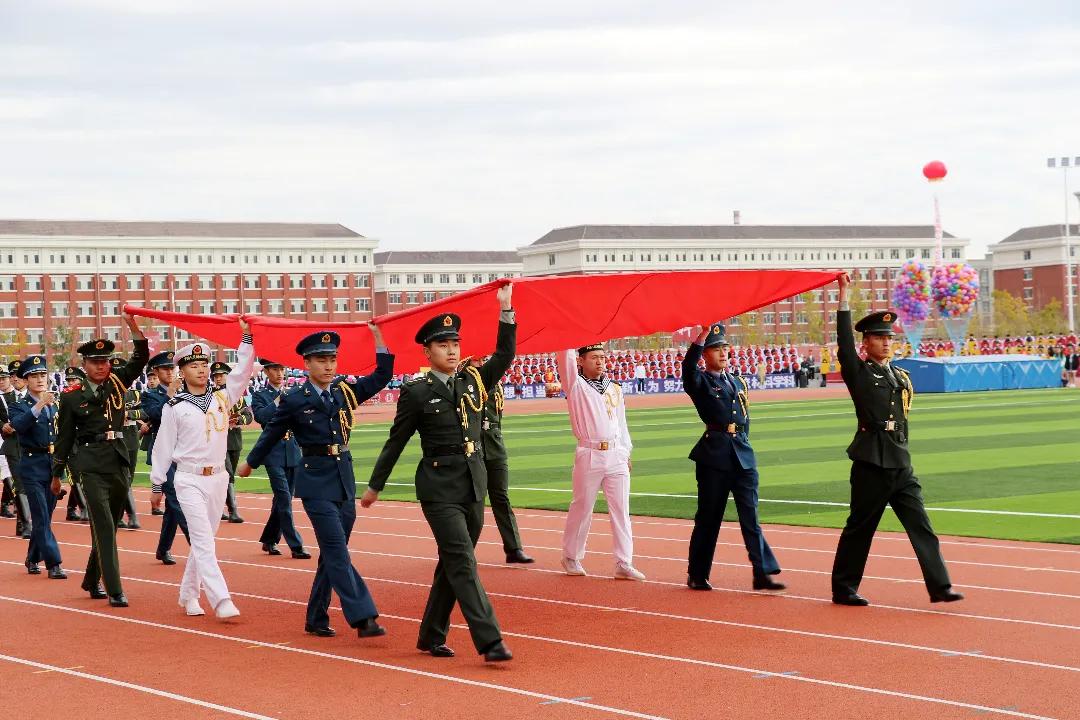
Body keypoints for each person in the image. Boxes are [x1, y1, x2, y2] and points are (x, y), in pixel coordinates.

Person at [366, 286, 516, 662]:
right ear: (427, 352)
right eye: (443, 344)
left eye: (455, 343)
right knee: (463, 561)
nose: (451, 350)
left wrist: (506, 309)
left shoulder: (474, 381)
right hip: (438, 488)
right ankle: (490, 641)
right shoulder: (417, 391)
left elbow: (505, 355)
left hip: (473, 484)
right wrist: (375, 485)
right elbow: (396, 440)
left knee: (452, 564)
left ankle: (431, 634)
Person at [238, 324, 393, 640]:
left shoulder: (344, 392)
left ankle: (316, 616)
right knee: (336, 550)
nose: (328, 366)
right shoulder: (295, 399)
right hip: (315, 481)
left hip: (344, 479)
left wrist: (379, 340)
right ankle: (364, 617)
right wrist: (251, 462)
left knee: (332, 554)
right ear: (307, 363)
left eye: (332, 359)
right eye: (321, 360)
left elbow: (381, 377)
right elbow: (272, 432)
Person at [830, 273, 963, 607]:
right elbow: (844, 341)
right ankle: (843, 588)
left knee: (922, 525)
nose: (886, 342)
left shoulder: (901, 376)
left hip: (900, 463)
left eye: (889, 337)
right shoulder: (859, 372)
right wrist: (844, 295)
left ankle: (940, 586)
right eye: (879, 337)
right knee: (861, 528)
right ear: (865, 343)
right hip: (871, 462)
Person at [152, 326, 256, 618]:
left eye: (204, 364)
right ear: (182, 372)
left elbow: (242, 373)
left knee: (204, 541)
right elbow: (163, 447)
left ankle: (188, 594)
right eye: (193, 365)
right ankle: (221, 599)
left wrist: (246, 339)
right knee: (203, 541)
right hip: (188, 479)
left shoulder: (223, 398)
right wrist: (157, 484)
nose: (201, 369)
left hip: (218, 478)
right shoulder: (174, 407)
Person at [52, 313, 150, 607]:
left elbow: (141, 358)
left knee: (111, 525)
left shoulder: (117, 382)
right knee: (105, 527)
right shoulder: (71, 396)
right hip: (90, 465)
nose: (101, 366)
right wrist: (56, 474)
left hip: (118, 460)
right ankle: (115, 589)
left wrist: (134, 328)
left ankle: (91, 578)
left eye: (105, 361)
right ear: (84, 365)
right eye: (95, 361)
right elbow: (64, 438)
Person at [681, 323, 784, 592]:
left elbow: (745, 419)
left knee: (750, 516)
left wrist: (744, 442)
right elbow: (688, 369)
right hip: (714, 457)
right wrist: (701, 338)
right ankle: (697, 574)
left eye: (725, 348)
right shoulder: (700, 381)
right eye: (716, 349)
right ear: (705, 354)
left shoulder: (738, 381)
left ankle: (762, 571)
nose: (723, 352)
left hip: (742, 455)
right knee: (709, 518)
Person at [556, 343, 645, 581]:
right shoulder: (575, 385)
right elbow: (564, 357)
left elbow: (622, 423)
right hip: (590, 452)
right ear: (581, 361)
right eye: (594, 357)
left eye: (602, 357)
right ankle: (571, 556)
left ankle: (624, 562)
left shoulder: (614, 388)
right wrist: (569, 335)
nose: (600, 362)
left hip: (616, 454)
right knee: (582, 506)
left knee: (621, 510)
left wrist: (626, 452)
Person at [465, 356, 533, 564]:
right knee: (474, 502)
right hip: (473, 448)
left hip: (495, 446)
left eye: (483, 358)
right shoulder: (462, 383)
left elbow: (497, 418)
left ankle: (514, 548)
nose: (481, 362)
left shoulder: (495, 384)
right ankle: (463, 551)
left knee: (501, 497)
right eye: (476, 359)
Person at [9, 355, 67, 579]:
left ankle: (32, 557)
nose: (40, 379)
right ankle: (54, 563)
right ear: (25, 380)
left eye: (43, 374)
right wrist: (40, 404)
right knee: (41, 515)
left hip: (52, 465)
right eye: (34, 376)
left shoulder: (56, 405)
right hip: (32, 465)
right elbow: (18, 426)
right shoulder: (18, 405)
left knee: (46, 517)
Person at [251, 358, 309, 559]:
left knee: (282, 500)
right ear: (267, 372)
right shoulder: (260, 395)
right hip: (273, 453)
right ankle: (296, 545)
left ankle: (269, 539)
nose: (279, 373)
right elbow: (262, 417)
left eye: (281, 369)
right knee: (284, 499)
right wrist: (279, 400)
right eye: (275, 369)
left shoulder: (293, 393)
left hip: (292, 452)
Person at [142, 351, 189, 565]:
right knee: (178, 500)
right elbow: (156, 415)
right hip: (163, 455)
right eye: (165, 369)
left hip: (183, 453)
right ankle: (198, 546)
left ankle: (163, 549)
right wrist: (169, 395)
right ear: (156, 371)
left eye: (172, 368)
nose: (170, 372)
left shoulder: (185, 392)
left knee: (172, 505)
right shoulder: (151, 395)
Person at [211, 361, 251, 524]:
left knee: (228, 475)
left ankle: (218, 507)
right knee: (227, 474)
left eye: (221, 375)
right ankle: (233, 510)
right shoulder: (211, 396)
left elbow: (248, 416)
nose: (218, 378)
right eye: (216, 376)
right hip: (217, 441)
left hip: (234, 440)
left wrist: (238, 419)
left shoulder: (237, 396)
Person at [111, 356, 143, 530]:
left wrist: (129, 414)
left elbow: (145, 411)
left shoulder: (135, 394)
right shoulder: (108, 394)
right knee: (122, 478)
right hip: (115, 440)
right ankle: (131, 515)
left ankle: (120, 515)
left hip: (131, 439)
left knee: (128, 478)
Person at [2, 361, 33, 539]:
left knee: (32, 483)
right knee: (20, 483)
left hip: (33, 445)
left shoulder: (35, 395)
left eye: (18, 376)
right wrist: (3, 425)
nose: (15, 379)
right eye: (12, 376)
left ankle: (21, 523)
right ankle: (27, 525)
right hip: (13, 445)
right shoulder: (5, 397)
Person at [61, 367, 90, 523]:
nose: (71, 383)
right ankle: (83, 508)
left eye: (74, 380)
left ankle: (71, 509)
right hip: (70, 441)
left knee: (83, 473)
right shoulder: (64, 397)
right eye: (69, 380)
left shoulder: (88, 397)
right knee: (74, 474)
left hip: (85, 440)